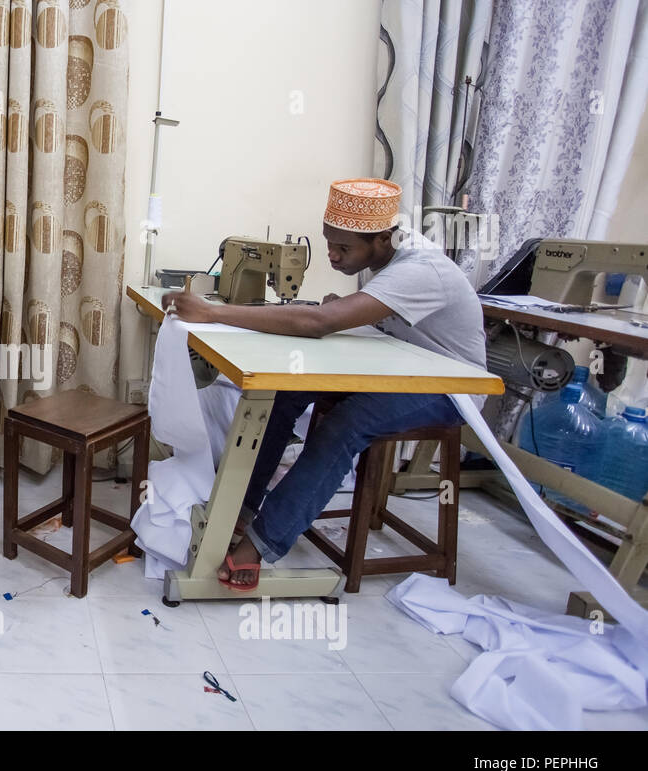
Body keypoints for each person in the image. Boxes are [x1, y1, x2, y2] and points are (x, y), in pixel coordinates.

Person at [161, 179, 485, 591]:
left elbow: (318, 324)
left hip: (452, 386)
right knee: (283, 392)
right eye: (329, 243)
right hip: (400, 366)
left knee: (347, 424)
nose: (331, 256)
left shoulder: (421, 269)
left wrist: (213, 313)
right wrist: (343, 310)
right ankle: (238, 513)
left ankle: (261, 543)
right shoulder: (388, 253)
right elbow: (349, 317)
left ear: (383, 239)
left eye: (343, 250)